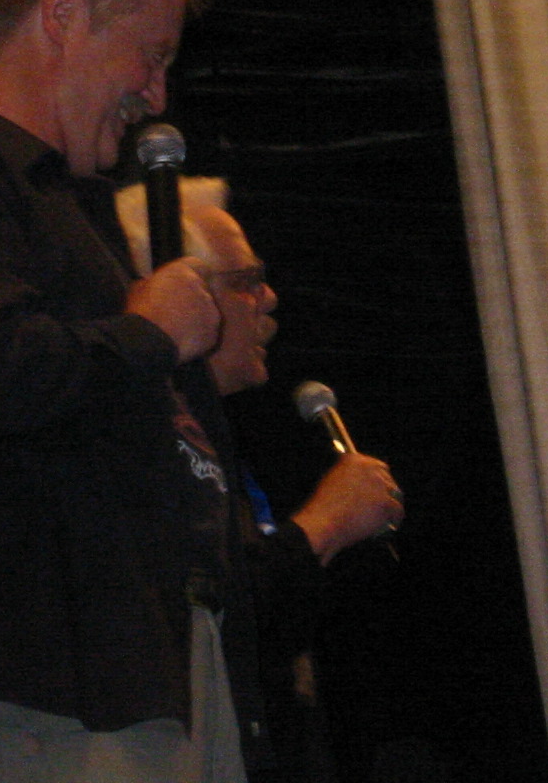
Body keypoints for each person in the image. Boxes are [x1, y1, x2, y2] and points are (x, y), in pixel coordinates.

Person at [0, 0, 402, 783]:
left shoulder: (72, 217)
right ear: (61, 11)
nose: (156, 96)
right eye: (150, 57)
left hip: (161, 690)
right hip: (49, 706)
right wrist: (147, 332)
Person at [117, 178, 404, 781]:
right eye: (246, 281)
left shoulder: (213, 438)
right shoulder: (144, 441)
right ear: (181, 291)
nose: (269, 299)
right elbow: (216, 625)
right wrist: (326, 524)